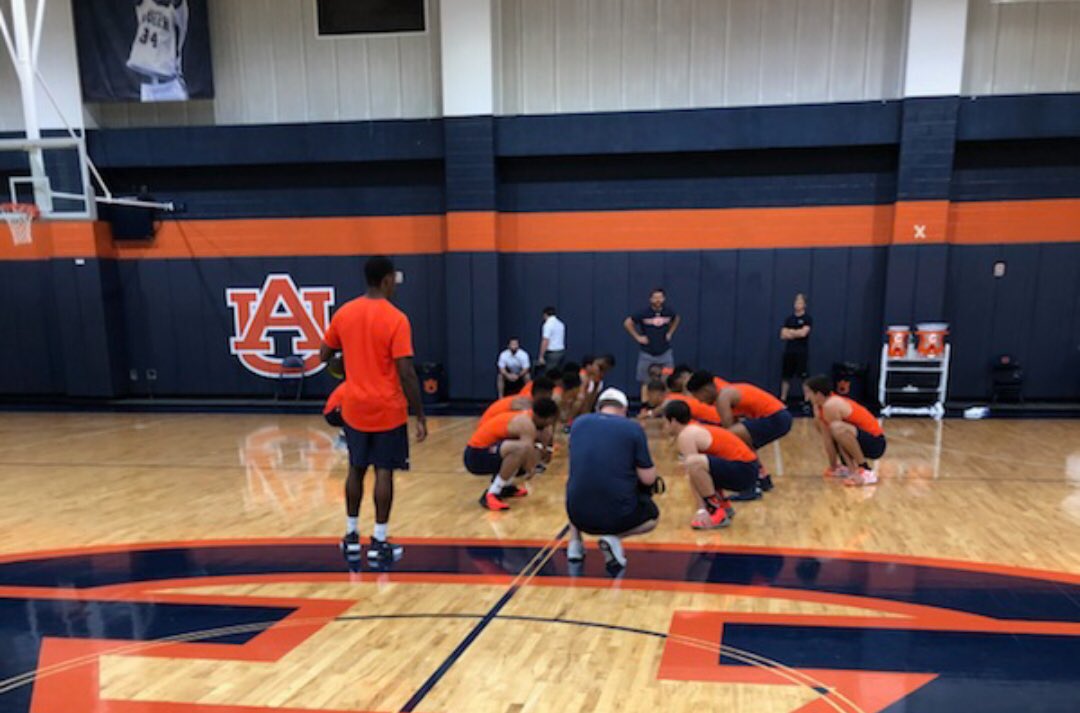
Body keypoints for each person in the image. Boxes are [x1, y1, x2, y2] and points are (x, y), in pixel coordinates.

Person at [320, 255, 426, 563]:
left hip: (354, 406)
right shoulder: (396, 319)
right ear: (387, 280)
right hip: (387, 408)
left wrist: (344, 362)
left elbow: (324, 355)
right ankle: (379, 540)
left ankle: (351, 535)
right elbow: (406, 371)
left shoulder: (345, 313)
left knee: (355, 468)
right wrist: (419, 414)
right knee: (384, 471)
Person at [565, 388, 660, 573]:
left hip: (576, 514)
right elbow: (648, 479)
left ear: (599, 407)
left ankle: (575, 543)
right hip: (617, 516)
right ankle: (614, 537)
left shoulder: (578, 423)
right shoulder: (632, 428)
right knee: (652, 516)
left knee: (578, 480)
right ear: (624, 410)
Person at [663, 400, 761, 530]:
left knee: (694, 463)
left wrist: (701, 510)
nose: (663, 426)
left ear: (673, 421)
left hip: (744, 470)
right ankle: (723, 506)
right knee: (703, 465)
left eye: (665, 422)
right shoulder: (694, 428)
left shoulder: (686, 435)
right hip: (747, 469)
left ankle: (715, 510)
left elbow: (693, 471)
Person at [465, 398, 560, 510]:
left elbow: (545, 457)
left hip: (491, 450)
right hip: (475, 454)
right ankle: (491, 493)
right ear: (547, 418)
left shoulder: (536, 423)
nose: (552, 424)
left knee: (527, 450)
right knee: (520, 449)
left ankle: (506, 487)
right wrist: (530, 470)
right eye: (552, 420)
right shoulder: (525, 423)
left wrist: (547, 446)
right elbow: (527, 450)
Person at [803, 374, 886, 487]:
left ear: (818, 394)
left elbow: (839, 436)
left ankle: (865, 470)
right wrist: (833, 467)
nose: (806, 397)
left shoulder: (832, 405)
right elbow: (827, 438)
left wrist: (853, 473)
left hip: (875, 443)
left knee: (837, 428)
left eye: (808, 393)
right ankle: (844, 468)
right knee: (829, 428)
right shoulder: (819, 407)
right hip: (857, 440)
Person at [624, 288, 680, 393]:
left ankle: (665, 404)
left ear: (664, 299)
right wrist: (637, 337)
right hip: (647, 353)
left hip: (665, 352)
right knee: (645, 381)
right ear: (650, 299)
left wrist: (670, 333)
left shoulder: (668, 312)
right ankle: (645, 405)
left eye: (660, 297)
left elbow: (676, 318)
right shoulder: (644, 313)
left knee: (667, 380)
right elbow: (627, 323)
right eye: (655, 298)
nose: (658, 300)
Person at [780, 293, 813, 404]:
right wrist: (796, 332)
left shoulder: (807, 319)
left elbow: (803, 333)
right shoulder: (789, 319)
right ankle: (783, 399)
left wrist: (791, 332)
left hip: (801, 352)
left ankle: (807, 401)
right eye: (796, 301)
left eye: (799, 302)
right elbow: (783, 334)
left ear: (804, 304)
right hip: (789, 352)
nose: (797, 304)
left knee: (804, 377)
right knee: (786, 377)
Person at [481, 376, 556, 422]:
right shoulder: (524, 405)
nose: (550, 399)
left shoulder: (528, 399)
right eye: (550, 395)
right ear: (542, 394)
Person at [537, 306, 566, 371]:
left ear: (545, 314)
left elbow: (545, 340)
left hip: (552, 354)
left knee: (550, 374)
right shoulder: (560, 323)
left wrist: (541, 356)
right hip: (561, 352)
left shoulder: (547, 325)